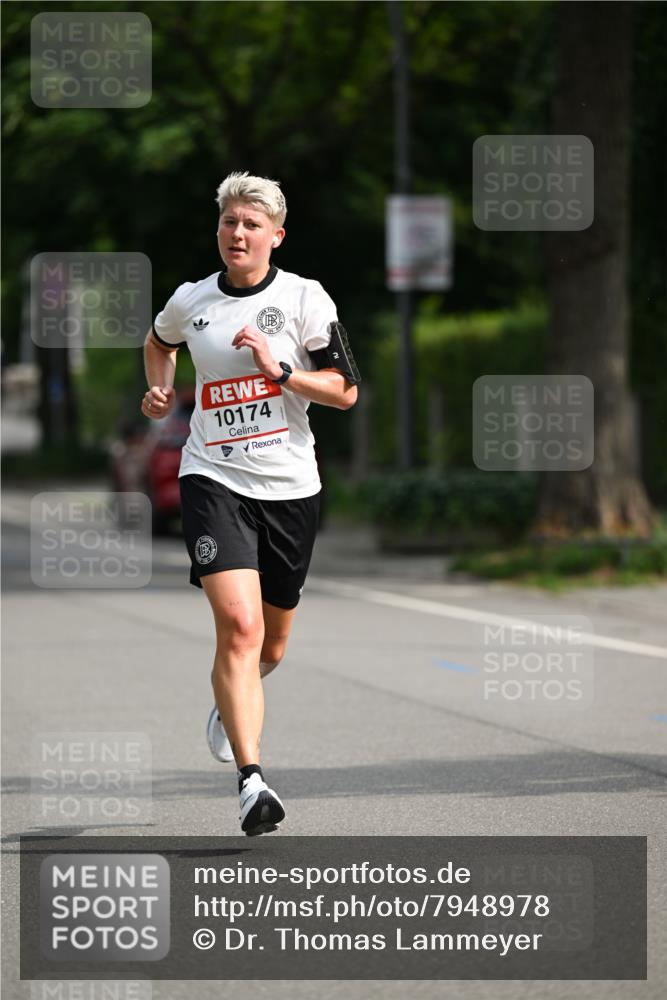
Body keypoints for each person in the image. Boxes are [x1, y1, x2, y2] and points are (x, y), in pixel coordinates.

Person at [141, 172, 360, 836]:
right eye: (228, 222)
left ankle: (228, 703)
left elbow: (345, 390)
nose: (237, 233)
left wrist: (281, 372)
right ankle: (251, 782)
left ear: (275, 236)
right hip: (213, 479)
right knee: (238, 629)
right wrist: (159, 392)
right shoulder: (192, 301)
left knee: (271, 646)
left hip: (290, 487)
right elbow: (159, 344)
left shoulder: (303, 298)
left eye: (250, 224)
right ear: (218, 231)